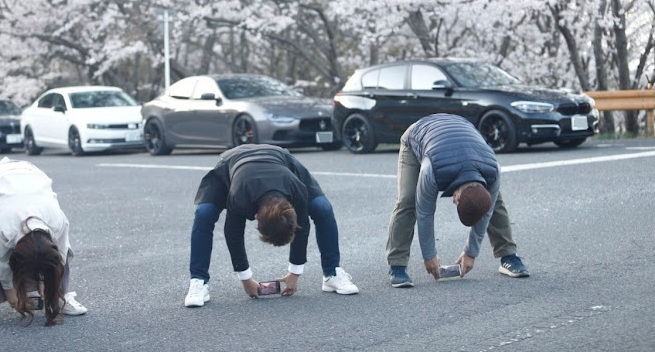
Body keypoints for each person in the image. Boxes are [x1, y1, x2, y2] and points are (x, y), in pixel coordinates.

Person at [184, 143, 359, 307]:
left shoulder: (296, 188)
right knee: (204, 213)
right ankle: (198, 281)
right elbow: (233, 233)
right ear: (256, 216)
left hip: (281, 159)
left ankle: (331, 274)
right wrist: (246, 278)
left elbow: (302, 227)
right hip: (233, 164)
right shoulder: (240, 196)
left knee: (323, 208)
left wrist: (295, 273)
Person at [385, 113, 529, 287]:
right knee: (407, 200)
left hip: (463, 132)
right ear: (457, 197)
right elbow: (425, 212)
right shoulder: (432, 170)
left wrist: (471, 253)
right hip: (418, 133)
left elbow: (487, 212)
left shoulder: (494, 171)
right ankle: (397, 265)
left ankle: (509, 257)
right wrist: (429, 256)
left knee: (493, 201)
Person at [0, 158, 87, 328]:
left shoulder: (57, 220)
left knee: (59, 253)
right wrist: (10, 289)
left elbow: (59, 254)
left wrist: (46, 284)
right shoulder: (4, 225)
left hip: (31, 175)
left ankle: (62, 297)